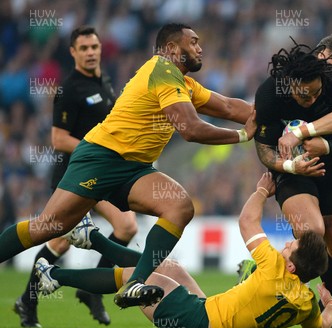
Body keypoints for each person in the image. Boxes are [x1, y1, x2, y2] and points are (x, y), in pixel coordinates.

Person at [0, 23, 256, 309]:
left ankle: (135, 283)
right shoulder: (162, 71)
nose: (200, 48)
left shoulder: (182, 83)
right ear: (172, 48)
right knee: (47, 228)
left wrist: (281, 119)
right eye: (194, 42)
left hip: (134, 168)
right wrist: (243, 135)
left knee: (180, 206)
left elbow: (231, 107)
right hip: (100, 157)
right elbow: (191, 130)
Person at [33, 172, 332, 328]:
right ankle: (92, 238)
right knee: (168, 267)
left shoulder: (274, 268)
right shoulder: (307, 303)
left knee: (133, 277)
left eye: (291, 246)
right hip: (207, 315)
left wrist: (261, 190)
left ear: (292, 266)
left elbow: (247, 221)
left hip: (195, 325)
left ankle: (53, 277)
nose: (286, 244)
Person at [13, 26, 138, 328]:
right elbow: (58, 139)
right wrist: (97, 151)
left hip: (99, 176)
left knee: (117, 228)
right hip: (73, 176)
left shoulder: (105, 83)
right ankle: (71, 294)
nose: (91, 52)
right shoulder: (68, 89)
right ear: (73, 53)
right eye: (84, 48)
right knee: (60, 241)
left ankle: (50, 297)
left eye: (94, 46)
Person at [253, 41, 332, 328]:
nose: (311, 99)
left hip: (329, 163)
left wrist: (326, 144)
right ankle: (265, 281)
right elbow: (263, 147)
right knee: (313, 232)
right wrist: (288, 165)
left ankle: (331, 316)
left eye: (315, 93)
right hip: (291, 171)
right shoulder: (269, 94)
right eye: (304, 94)